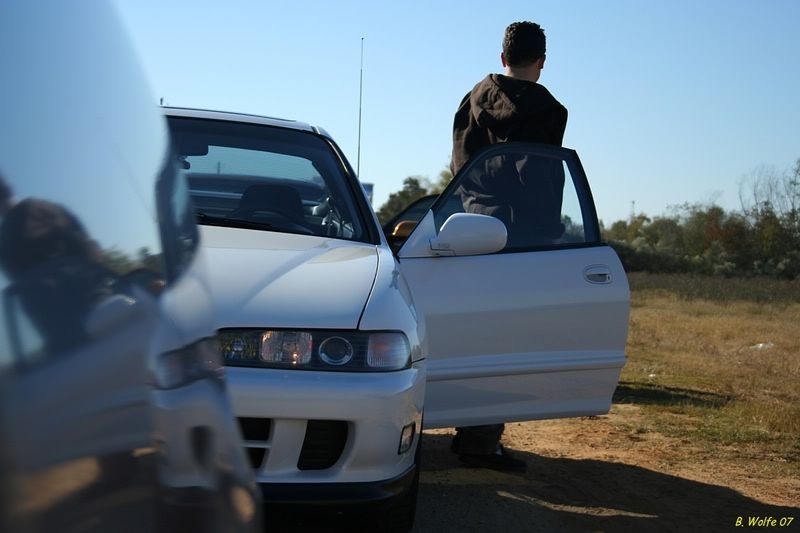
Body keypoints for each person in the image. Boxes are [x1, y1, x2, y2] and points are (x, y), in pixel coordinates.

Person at [448, 20, 569, 472]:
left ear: (503, 58)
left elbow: (460, 167)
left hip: (467, 228)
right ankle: (479, 440)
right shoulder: (550, 111)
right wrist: (547, 236)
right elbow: (541, 182)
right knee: (503, 339)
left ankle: (464, 426)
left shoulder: (473, 99)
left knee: (467, 330)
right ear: (541, 61)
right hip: (518, 238)